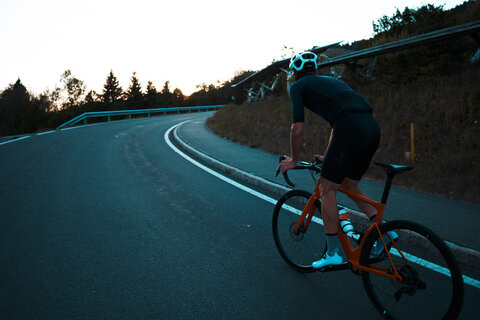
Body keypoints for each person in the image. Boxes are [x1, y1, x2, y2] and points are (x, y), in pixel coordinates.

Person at [277, 51, 381, 268]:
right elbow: (339, 123)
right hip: (371, 128)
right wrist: (329, 156)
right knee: (349, 184)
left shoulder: (298, 86)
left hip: (349, 128)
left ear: (294, 73)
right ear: (314, 70)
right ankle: (384, 234)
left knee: (326, 189)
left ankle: (332, 253)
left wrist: (294, 159)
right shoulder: (332, 81)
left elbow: (297, 129)